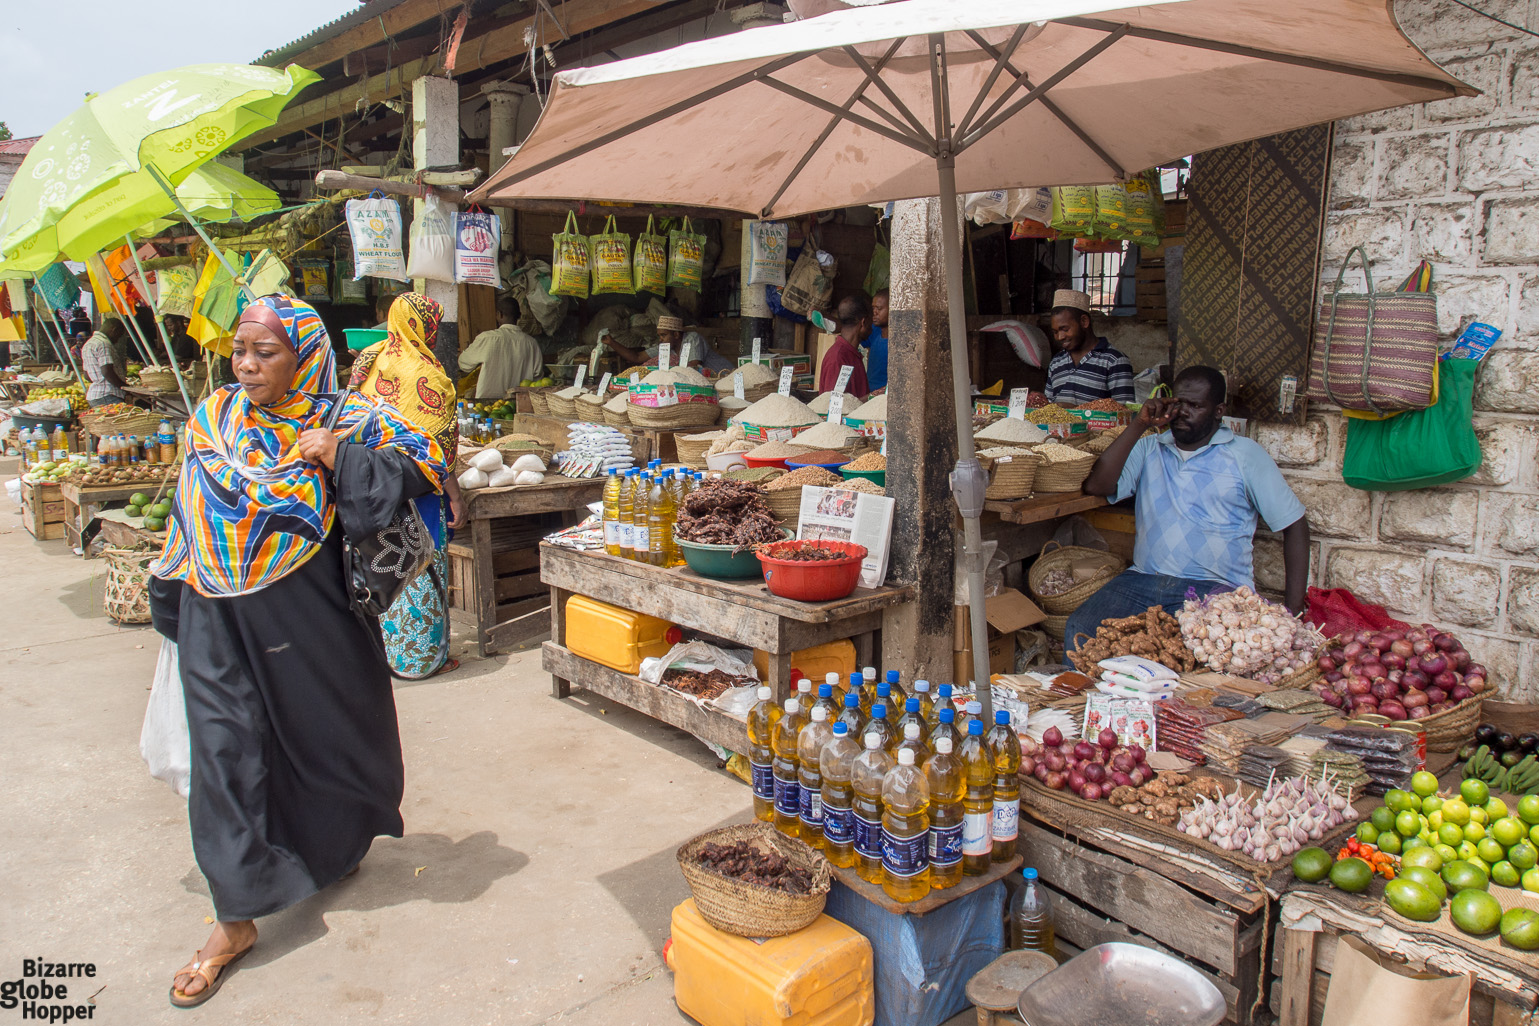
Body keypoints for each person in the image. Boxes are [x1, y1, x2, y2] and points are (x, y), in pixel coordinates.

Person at [147, 295, 446, 1008]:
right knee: (224, 752)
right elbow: (190, 504)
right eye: (240, 351)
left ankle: (335, 844)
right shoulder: (213, 415)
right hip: (213, 608)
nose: (246, 366)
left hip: (311, 612)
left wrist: (342, 453)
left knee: (330, 734)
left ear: (304, 355)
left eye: (266, 352)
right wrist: (171, 587)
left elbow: (428, 465)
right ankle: (234, 918)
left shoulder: (346, 416)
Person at [1065, 366, 1310, 649]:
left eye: (1195, 406)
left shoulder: (1244, 455)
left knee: (1190, 652)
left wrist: (1294, 613)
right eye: (1179, 403)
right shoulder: (1149, 448)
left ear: (1218, 411)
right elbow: (1097, 486)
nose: (1183, 412)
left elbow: (1294, 524)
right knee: (1080, 628)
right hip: (1144, 579)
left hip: (1216, 590)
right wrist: (1139, 424)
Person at [350, 292, 466, 678]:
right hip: (417, 492)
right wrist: (456, 496)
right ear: (426, 327)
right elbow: (436, 452)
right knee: (420, 563)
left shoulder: (370, 360)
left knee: (384, 564)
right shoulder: (428, 374)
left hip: (370, 486)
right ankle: (423, 660)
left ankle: (391, 655)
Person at [1043, 289, 1135, 406]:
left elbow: (1124, 414)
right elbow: (1047, 408)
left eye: (1065, 329)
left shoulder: (1114, 361)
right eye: (1055, 332)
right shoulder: (1056, 362)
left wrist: (1076, 411)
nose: (1060, 337)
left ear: (1084, 321)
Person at [459, 297, 545, 398]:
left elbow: (464, 363)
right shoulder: (532, 343)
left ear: (500, 314)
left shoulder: (487, 338)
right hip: (520, 403)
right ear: (519, 316)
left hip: (486, 405)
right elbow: (538, 377)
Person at [602, 314, 734, 374]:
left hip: (724, 375)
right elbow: (637, 357)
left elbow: (693, 367)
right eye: (659, 336)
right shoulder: (667, 348)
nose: (661, 339)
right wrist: (612, 342)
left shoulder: (692, 338)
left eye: (663, 335)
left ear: (676, 335)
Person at [818, 293, 871, 398]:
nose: (872, 327)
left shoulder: (852, 354)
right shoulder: (837, 358)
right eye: (871, 320)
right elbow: (834, 406)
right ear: (863, 322)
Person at [81, 318, 129, 406]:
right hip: (108, 395)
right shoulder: (103, 344)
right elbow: (107, 372)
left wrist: (98, 380)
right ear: (114, 330)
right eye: (119, 336)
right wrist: (125, 387)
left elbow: (87, 376)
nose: (117, 340)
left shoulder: (88, 344)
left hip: (94, 396)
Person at [861, 288, 889, 392]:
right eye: (873, 308)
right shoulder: (874, 331)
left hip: (883, 396)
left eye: (879, 308)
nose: (874, 313)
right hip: (868, 395)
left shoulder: (899, 341)